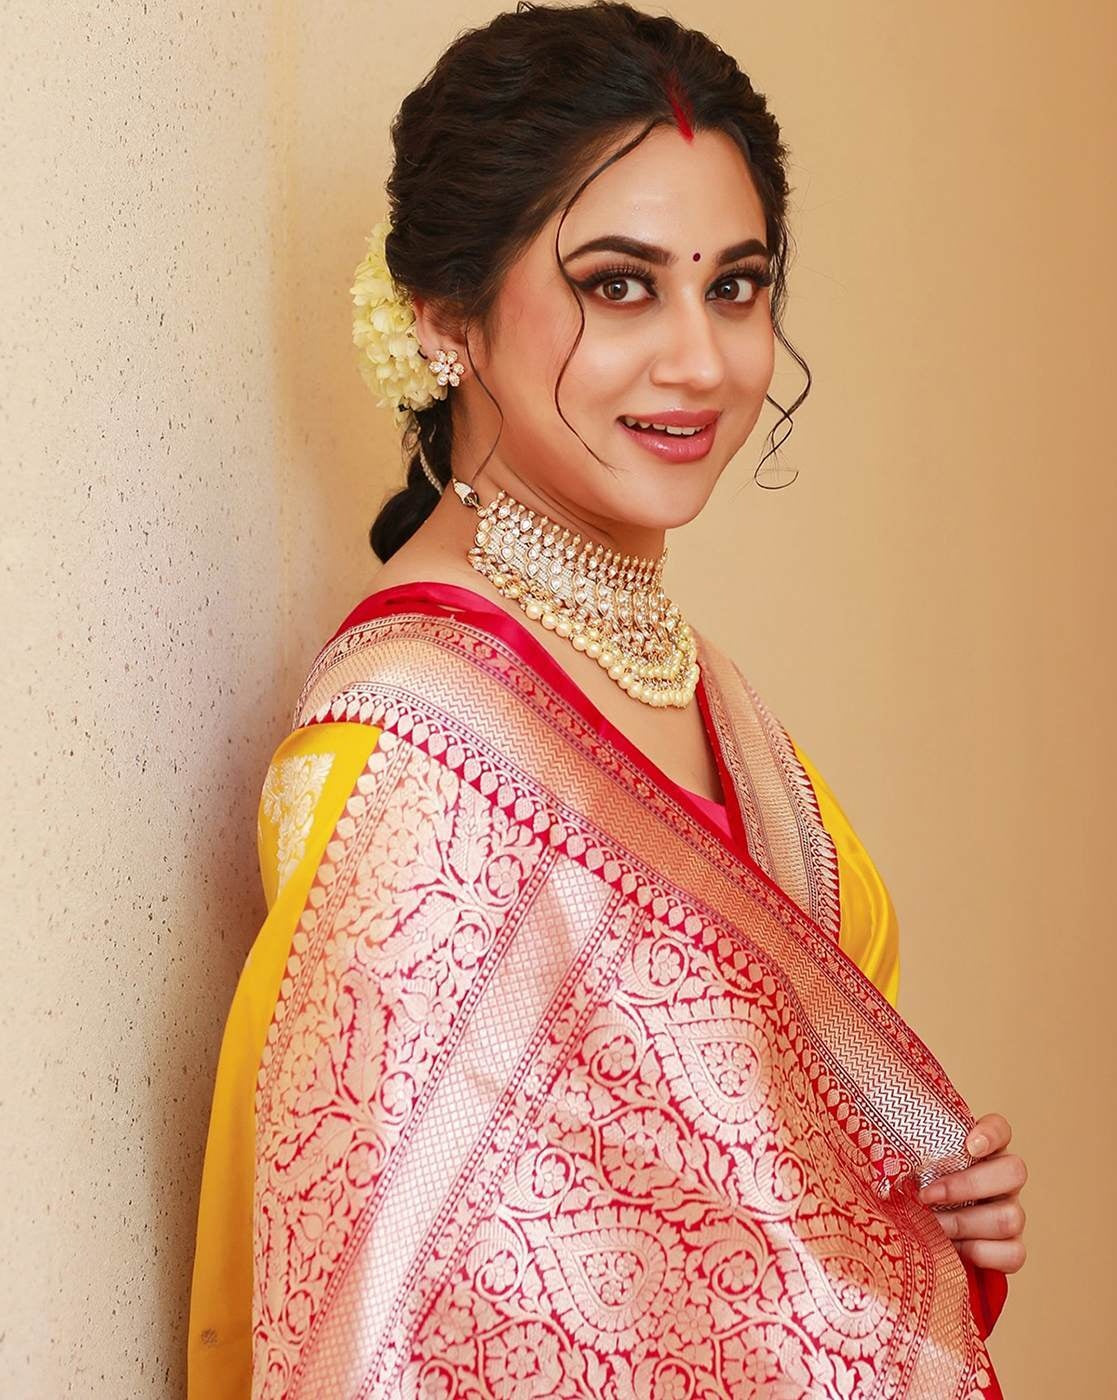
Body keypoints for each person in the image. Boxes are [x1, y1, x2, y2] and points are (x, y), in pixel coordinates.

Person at [188, 4, 1027, 1395]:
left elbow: (734, 1169)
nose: (700, 360)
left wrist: (915, 1216)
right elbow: (387, 1325)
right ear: (442, 316)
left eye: (737, 286)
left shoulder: (696, 689)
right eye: (620, 284)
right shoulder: (412, 773)